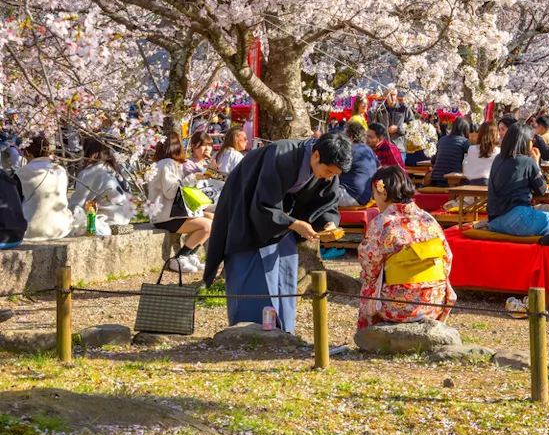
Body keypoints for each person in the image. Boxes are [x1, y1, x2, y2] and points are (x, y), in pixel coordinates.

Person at [203, 132, 352, 333]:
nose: (328, 177)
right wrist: (294, 223)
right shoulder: (280, 154)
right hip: (246, 214)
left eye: (334, 174)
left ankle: (282, 329)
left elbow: (327, 203)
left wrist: (328, 224)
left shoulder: (326, 171)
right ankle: (248, 330)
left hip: (282, 226)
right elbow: (261, 203)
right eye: (327, 171)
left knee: (284, 275)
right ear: (316, 155)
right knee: (252, 276)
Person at [357, 166, 456, 330]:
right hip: (435, 302)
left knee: (369, 282)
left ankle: (368, 332)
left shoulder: (383, 222)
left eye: (375, 194)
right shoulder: (428, 218)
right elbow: (447, 258)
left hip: (398, 306)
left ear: (383, 192)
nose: (375, 199)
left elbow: (369, 265)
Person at [485, 123, 549, 238]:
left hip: (494, 221)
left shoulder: (498, 159)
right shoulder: (527, 161)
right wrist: (536, 162)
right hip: (519, 220)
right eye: (533, 141)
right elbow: (542, 189)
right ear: (526, 141)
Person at [148, 133, 213, 273]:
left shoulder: (164, 163)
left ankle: (190, 254)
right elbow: (171, 192)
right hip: (165, 216)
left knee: (211, 219)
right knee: (207, 226)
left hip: (169, 213)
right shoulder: (167, 164)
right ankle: (180, 258)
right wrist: (194, 177)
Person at [15, 136, 72, 241]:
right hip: (60, 227)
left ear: (27, 153)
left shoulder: (22, 172)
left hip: (31, 229)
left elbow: (14, 202)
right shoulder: (60, 169)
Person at [68, 138, 133, 228]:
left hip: (106, 221)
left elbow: (77, 205)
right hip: (123, 217)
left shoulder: (92, 171)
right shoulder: (113, 169)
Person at [340, 121, 380, 206]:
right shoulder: (368, 150)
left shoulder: (349, 150)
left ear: (350, 138)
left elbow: (335, 172)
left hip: (351, 195)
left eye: (343, 134)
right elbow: (379, 168)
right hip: (365, 196)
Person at [370, 87, 415, 162]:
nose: (392, 98)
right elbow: (374, 128)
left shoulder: (404, 108)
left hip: (399, 149)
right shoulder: (380, 110)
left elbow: (412, 126)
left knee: (398, 172)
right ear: (385, 96)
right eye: (389, 95)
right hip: (383, 149)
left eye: (393, 95)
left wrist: (398, 129)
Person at [430, 117, 472, 187]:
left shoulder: (442, 140)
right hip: (455, 179)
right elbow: (470, 161)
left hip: (437, 179)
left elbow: (434, 160)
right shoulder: (465, 142)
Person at [464, 121, 499, 186]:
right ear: (495, 134)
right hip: (491, 188)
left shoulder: (471, 149)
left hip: (473, 187)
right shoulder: (498, 151)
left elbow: (467, 170)